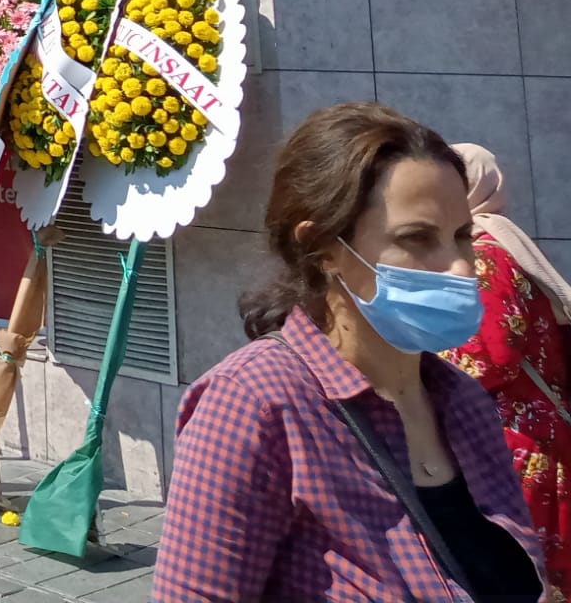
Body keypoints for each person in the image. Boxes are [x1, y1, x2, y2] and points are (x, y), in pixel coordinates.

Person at [156, 103, 544, 603]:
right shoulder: (255, 405)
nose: (463, 269)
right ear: (324, 247)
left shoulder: (463, 402)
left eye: (463, 236)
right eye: (418, 239)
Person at [444, 143, 571, 600]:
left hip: (513, 442)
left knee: (518, 576)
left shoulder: (484, 254)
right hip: (538, 432)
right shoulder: (510, 243)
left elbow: (490, 356)